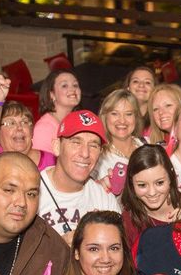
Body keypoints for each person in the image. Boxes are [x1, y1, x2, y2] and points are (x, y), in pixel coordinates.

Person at [38, 110, 121, 240]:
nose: (85, 153)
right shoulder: (32, 191)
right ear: (56, 147)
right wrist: (59, 248)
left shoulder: (104, 199)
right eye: (76, 142)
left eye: (93, 145)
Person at [0, 58, 55, 170]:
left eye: (25, 122)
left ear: (32, 132)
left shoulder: (51, 161)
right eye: (10, 123)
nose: (19, 128)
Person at [118, 144, 181, 249]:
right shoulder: (128, 222)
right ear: (131, 184)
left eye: (159, 183)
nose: (152, 193)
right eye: (142, 185)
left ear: (171, 178)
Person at [94, 88, 144, 195]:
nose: (122, 120)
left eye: (128, 114)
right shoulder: (97, 155)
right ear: (105, 117)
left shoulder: (146, 146)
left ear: (136, 117)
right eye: (115, 114)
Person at [32, 70, 82, 154]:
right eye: (64, 86)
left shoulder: (78, 121)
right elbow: (43, 165)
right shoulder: (44, 128)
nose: (73, 89)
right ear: (52, 94)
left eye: (75, 85)